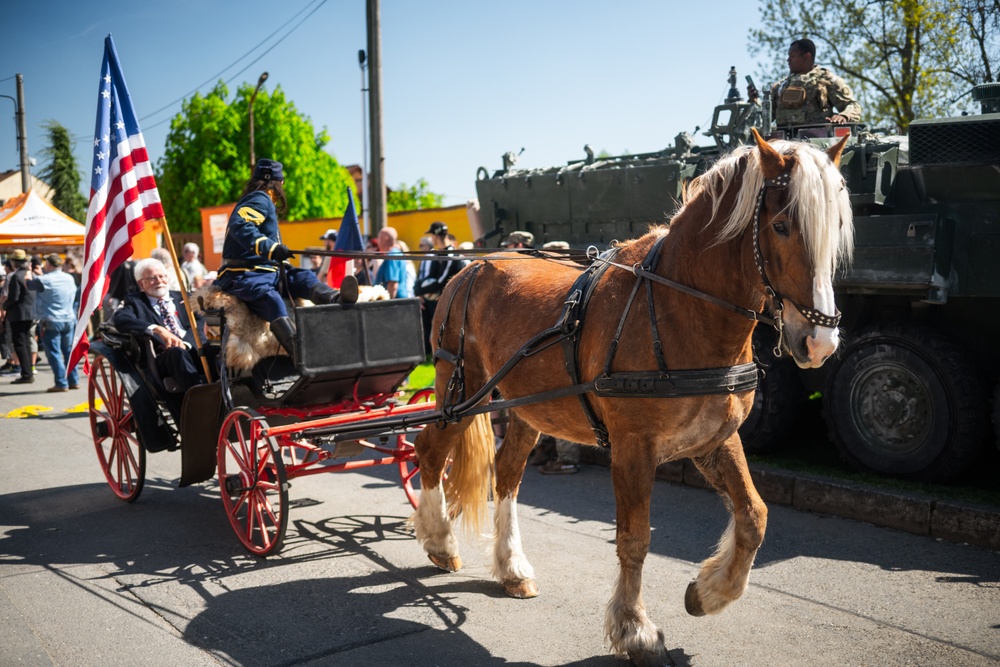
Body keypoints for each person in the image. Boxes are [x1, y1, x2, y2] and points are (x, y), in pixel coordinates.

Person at [214, 158, 358, 358]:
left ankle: (336, 298)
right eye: (282, 182)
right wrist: (271, 249)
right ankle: (299, 353)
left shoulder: (264, 200)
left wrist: (276, 254)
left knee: (303, 277)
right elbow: (241, 225)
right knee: (272, 299)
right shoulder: (260, 199)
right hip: (243, 276)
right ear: (276, 182)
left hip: (267, 272)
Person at [110, 258, 204, 415]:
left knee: (221, 351)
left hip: (193, 349)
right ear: (141, 284)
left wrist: (186, 344)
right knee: (176, 353)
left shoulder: (185, 297)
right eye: (152, 278)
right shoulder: (135, 301)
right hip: (163, 358)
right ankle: (200, 401)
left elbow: (198, 324)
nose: (159, 281)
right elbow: (120, 320)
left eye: (162, 276)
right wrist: (157, 329)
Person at [754, 38, 861, 127]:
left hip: (817, 142)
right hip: (783, 142)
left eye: (793, 56)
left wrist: (844, 116)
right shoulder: (781, 86)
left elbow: (853, 105)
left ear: (807, 57)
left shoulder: (827, 80)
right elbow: (766, 117)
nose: (788, 60)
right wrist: (754, 101)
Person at [27, 254, 80, 392]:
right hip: (68, 318)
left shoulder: (43, 279)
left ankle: (61, 383)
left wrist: (29, 271)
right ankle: (73, 380)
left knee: (54, 353)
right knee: (68, 351)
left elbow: (29, 284)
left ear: (49, 265)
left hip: (51, 320)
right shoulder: (69, 277)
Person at [414, 221, 467, 355]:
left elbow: (441, 281)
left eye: (431, 235)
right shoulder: (441, 253)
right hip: (443, 299)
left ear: (435, 236)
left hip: (452, 300)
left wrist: (419, 290)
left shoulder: (450, 255)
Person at [1, 249, 37, 384]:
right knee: (26, 343)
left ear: (13, 262)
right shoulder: (30, 274)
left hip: (19, 314)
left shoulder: (17, 276)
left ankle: (26, 374)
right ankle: (28, 372)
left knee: (20, 344)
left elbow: (13, 297)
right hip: (30, 312)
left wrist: (4, 306)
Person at [374, 226, 414, 299]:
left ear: (386, 238)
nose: (377, 241)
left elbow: (392, 284)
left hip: (396, 302)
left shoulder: (392, 256)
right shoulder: (397, 253)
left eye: (379, 237)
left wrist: (389, 304)